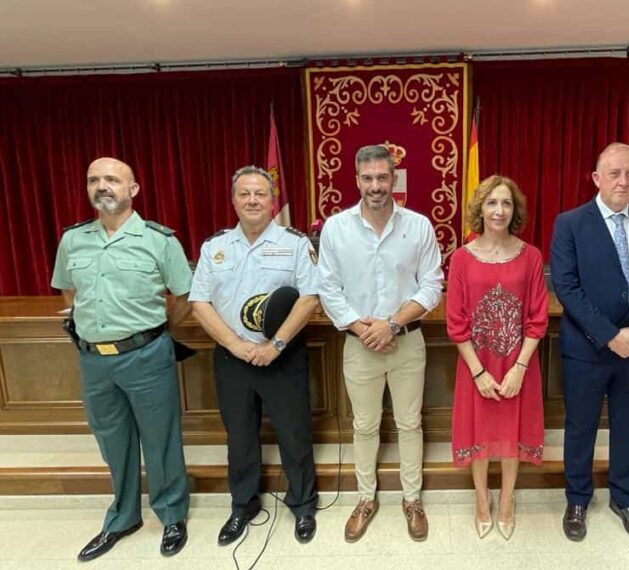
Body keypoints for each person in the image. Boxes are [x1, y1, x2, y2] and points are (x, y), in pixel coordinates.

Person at [51, 157, 191, 561]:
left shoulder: (159, 240)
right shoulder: (73, 240)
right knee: (112, 440)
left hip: (145, 353)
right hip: (94, 359)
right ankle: (123, 516)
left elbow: (183, 296)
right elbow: (68, 292)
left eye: (112, 179)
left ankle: (171, 514)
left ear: (134, 189)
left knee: (160, 438)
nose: (102, 186)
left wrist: (152, 329)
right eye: (94, 179)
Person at [549, 142, 629, 543]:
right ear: (596, 178)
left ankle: (624, 499)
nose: (623, 181)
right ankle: (577, 499)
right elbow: (566, 286)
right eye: (614, 174)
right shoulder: (570, 223)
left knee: (628, 428)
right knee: (581, 427)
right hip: (587, 350)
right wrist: (609, 335)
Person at [318, 144, 443, 542]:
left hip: (407, 342)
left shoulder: (418, 226)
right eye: (368, 178)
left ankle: (411, 500)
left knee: (410, 423)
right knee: (365, 425)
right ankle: (365, 499)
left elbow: (432, 286)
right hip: (359, 345)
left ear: (394, 179)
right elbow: (328, 289)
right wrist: (363, 329)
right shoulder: (336, 228)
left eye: (382, 177)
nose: (375, 185)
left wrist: (390, 324)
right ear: (357, 180)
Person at [189, 166, 320, 545]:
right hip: (233, 359)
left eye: (260, 194)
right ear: (233, 200)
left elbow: (310, 297)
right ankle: (243, 506)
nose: (252, 200)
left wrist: (274, 345)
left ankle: (303, 505)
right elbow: (199, 303)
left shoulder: (295, 243)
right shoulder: (214, 247)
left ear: (272, 200)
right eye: (244, 193)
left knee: (294, 434)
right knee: (240, 436)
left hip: (282, 356)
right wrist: (237, 345)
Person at [447, 175, 548, 540]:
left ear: (514, 210)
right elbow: (456, 322)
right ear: (480, 208)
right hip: (476, 365)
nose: (499, 210)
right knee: (480, 434)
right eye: (492, 202)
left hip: (518, 363)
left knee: (511, 433)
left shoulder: (531, 255)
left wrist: (520, 367)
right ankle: (481, 500)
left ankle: (506, 500)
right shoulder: (461, 257)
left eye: (506, 203)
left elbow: (538, 318)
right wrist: (478, 373)